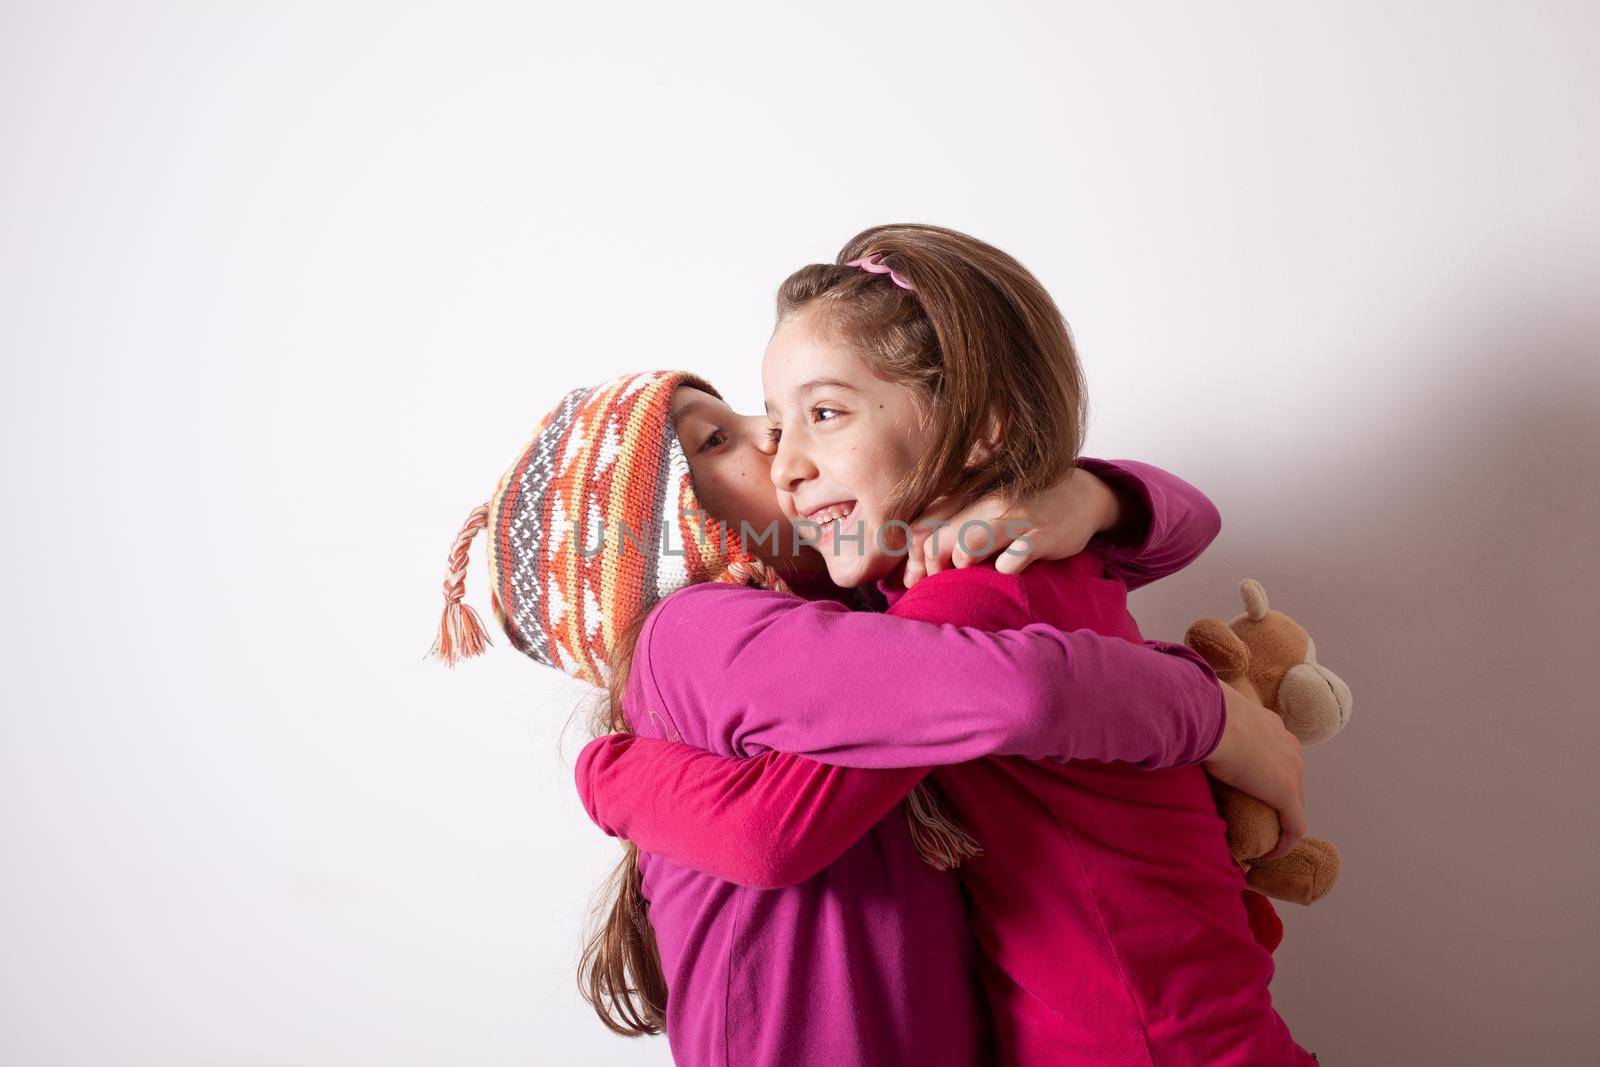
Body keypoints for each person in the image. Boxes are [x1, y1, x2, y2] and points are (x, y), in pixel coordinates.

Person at [575, 224, 1315, 1064]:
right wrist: (1091, 499)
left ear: (979, 427)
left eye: (821, 413)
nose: (781, 456)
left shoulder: (962, 592)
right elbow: (1181, 528)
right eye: (768, 424)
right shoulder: (933, 592)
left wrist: (609, 773)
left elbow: (780, 822)